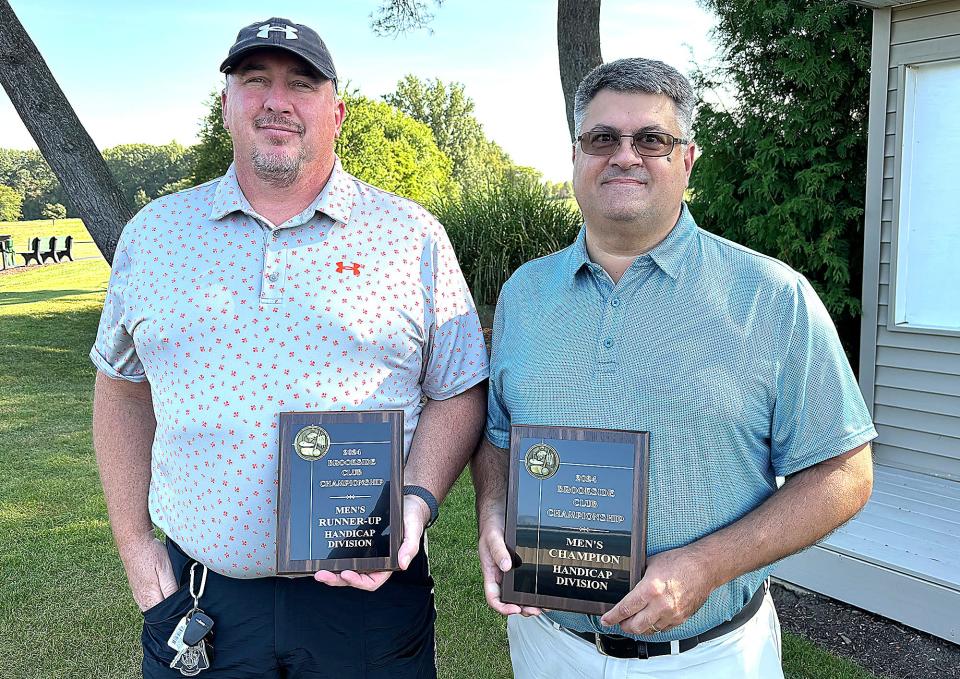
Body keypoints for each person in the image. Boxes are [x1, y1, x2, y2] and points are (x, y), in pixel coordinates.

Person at [91, 17, 488, 678]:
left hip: (370, 602)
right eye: (255, 81)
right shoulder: (154, 234)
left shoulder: (409, 234)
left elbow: (459, 389)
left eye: (301, 83)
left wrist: (415, 502)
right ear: (226, 105)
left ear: (336, 111)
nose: (277, 100)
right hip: (200, 596)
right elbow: (120, 383)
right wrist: (135, 546)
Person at [471, 57, 876, 678]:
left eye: (652, 140)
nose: (624, 156)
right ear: (576, 155)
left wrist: (704, 566)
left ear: (687, 160)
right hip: (548, 645)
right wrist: (493, 514)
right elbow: (498, 435)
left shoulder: (771, 296)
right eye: (602, 138)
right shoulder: (526, 294)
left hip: (706, 656)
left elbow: (844, 474)